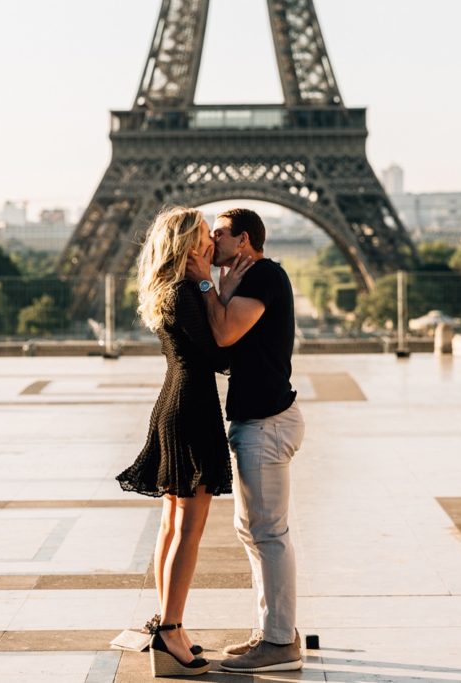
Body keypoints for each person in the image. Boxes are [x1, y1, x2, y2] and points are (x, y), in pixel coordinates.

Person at [115, 206, 248, 677]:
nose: (212, 243)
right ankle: (171, 628)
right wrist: (214, 286)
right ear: (188, 247)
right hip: (191, 406)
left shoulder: (167, 289)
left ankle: (167, 622)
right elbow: (219, 354)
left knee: (173, 523)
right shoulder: (188, 292)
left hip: (175, 400)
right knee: (187, 527)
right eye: (204, 239)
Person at [185, 208, 306, 673]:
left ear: (245, 240)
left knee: (268, 534)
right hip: (258, 419)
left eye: (219, 234)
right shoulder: (245, 280)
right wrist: (218, 288)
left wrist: (203, 283)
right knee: (253, 532)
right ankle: (272, 630)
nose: (211, 242)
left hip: (267, 421)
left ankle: (279, 643)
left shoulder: (264, 276)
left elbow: (224, 330)